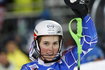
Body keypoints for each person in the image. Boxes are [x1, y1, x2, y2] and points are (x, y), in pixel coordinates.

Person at [21, 0, 98, 70]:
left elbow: (90, 41)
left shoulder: (66, 63)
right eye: (46, 43)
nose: (51, 49)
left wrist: (84, 14)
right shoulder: (28, 68)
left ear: (60, 44)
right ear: (37, 44)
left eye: (55, 43)